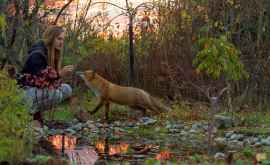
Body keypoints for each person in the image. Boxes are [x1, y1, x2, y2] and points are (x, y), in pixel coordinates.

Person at [20, 25, 74, 124]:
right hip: (24, 93)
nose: (61, 42)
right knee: (56, 94)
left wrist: (59, 78)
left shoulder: (51, 53)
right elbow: (39, 81)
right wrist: (59, 74)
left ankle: (35, 115)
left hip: (34, 92)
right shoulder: (38, 54)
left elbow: (50, 82)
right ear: (51, 38)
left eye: (62, 39)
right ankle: (27, 114)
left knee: (67, 89)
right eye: (59, 39)